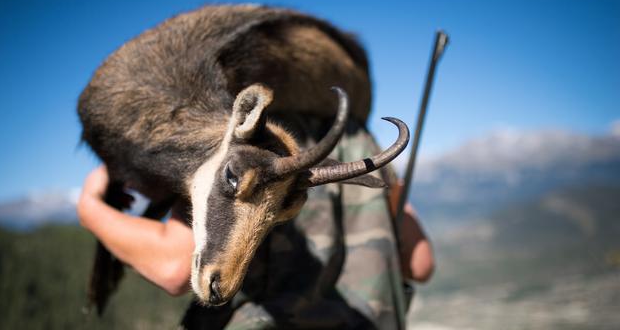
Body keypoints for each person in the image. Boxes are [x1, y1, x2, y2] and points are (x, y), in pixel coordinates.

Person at [78, 119, 434, 329]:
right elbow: (420, 264)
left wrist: (90, 208)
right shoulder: (360, 144)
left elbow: (174, 267)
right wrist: (396, 202)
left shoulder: (229, 149)